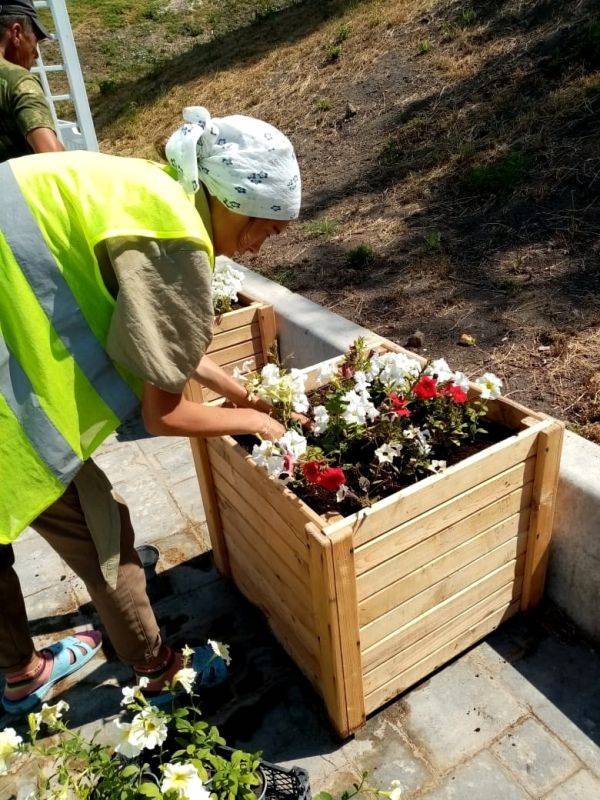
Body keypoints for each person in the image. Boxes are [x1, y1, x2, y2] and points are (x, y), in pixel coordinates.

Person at [0, 105, 301, 713]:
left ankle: (19, 672)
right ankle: (159, 669)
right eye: (268, 225)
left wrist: (240, 390)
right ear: (233, 201)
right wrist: (259, 421)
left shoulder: (148, 189)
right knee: (103, 532)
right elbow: (165, 413)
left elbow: (152, 339)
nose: (266, 243)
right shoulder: (176, 240)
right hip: (12, 407)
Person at [0, 0, 64, 160]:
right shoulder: (18, 81)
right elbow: (55, 161)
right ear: (16, 33)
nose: (36, 53)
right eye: (35, 40)